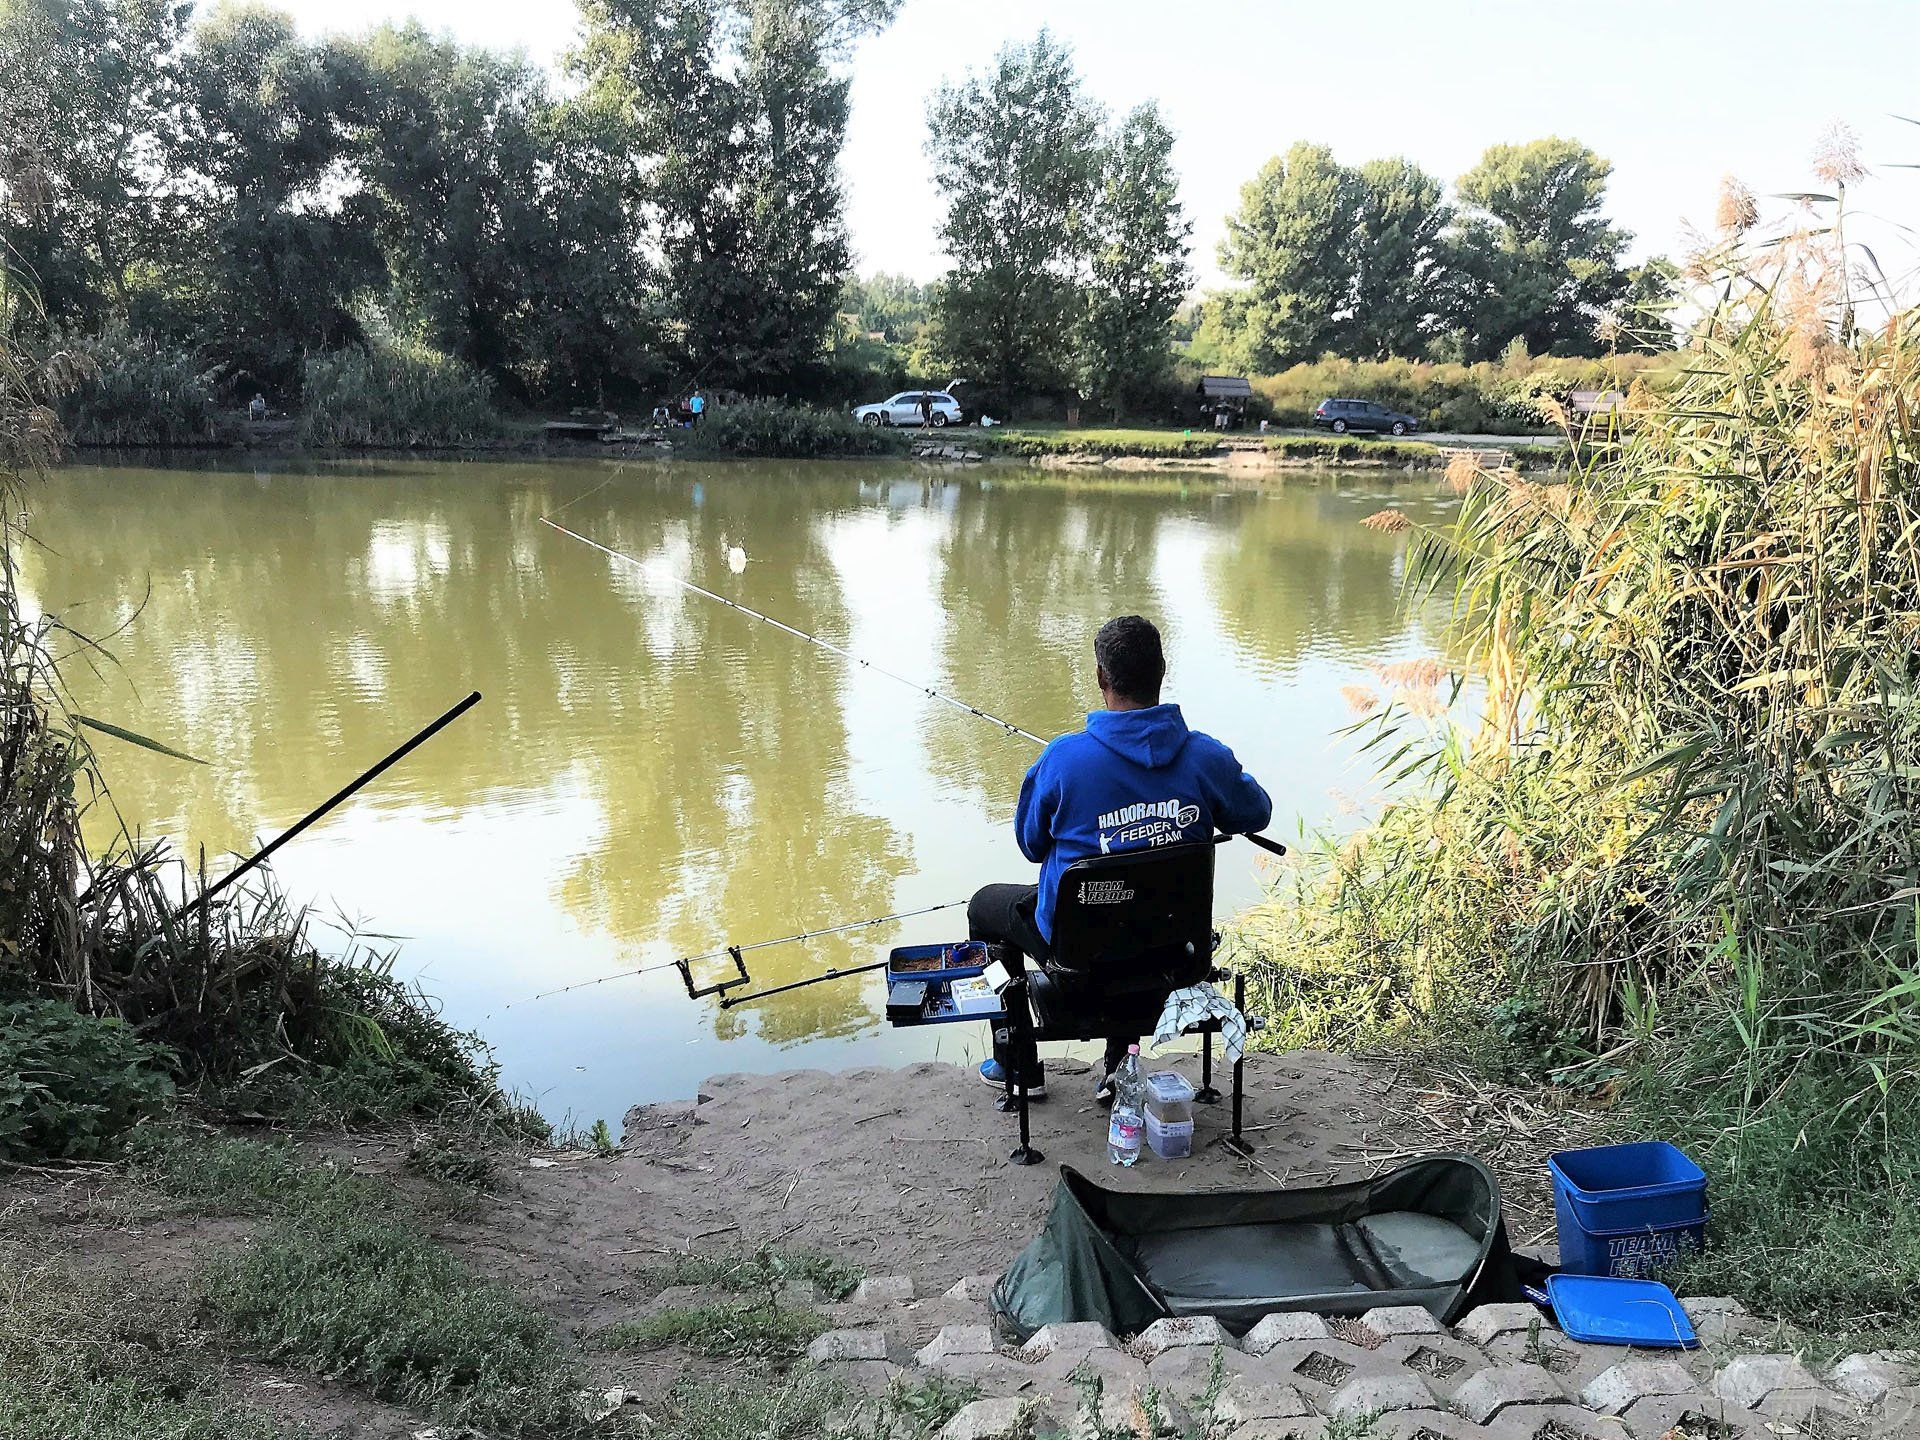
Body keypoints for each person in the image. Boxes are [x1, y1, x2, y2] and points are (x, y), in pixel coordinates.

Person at [969, 615, 1272, 1102]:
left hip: (1079, 964)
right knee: (1135, 897)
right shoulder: (1204, 757)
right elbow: (1256, 812)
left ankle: (1018, 1063)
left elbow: (1030, 845)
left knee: (986, 906)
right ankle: (1116, 1059)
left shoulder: (1064, 760)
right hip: (1173, 957)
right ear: (1162, 671)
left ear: (1100, 678)